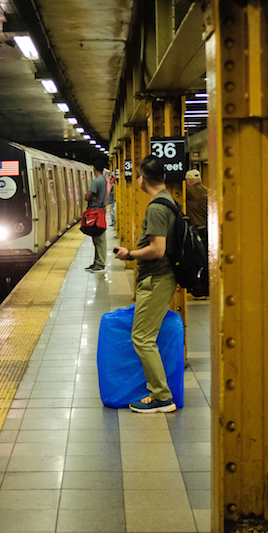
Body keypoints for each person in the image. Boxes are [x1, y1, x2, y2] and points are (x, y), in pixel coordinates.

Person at [113, 155, 177, 413]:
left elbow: (157, 249)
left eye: (138, 175)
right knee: (145, 336)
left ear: (143, 178)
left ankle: (162, 396)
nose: (137, 179)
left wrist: (129, 254)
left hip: (158, 277)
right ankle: (159, 393)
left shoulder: (157, 208)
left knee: (142, 337)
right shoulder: (168, 201)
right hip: (161, 277)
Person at [84, 168, 108, 271]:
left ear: (94, 169)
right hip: (100, 211)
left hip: (95, 213)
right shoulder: (103, 180)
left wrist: (88, 195)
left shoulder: (96, 181)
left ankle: (100, 263)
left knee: (99, 239)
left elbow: (88, 196)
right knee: (98, 238)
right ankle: (97, 262)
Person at [185, 169, 207, 245]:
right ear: (200, 179)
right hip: (206, 226)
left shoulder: (187, 191)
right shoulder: (207, 191)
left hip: (196, 227)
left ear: (188, 181)